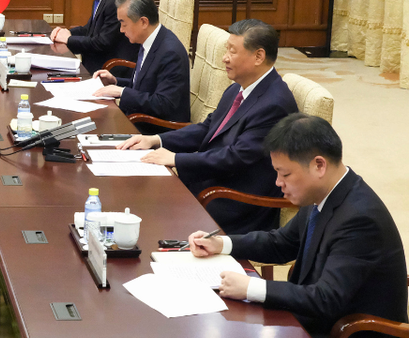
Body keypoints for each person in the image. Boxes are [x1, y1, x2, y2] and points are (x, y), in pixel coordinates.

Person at [188, 114, 409, 338]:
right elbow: (281, 242)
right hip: (320, 323)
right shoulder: (323, 193)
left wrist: (251, 287)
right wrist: (221, 243)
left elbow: (326, 299)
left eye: (285, 174)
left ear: (319, 165)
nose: (277, 183)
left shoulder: (360, 219)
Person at [120, 19, 297, 234]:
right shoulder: (237, 89)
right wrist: (157, 139)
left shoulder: (275, 104)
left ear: (258, 56)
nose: (225, 58)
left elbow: (236, 157)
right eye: (226, 50)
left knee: (152, 210)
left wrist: (176, 159)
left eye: (232, 52)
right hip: (211, 183)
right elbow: (207, 128)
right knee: (139, 190)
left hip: (235, 201)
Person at [92, 0, 190, 133]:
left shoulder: (170, 52)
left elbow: (164, 104)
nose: (121, 30)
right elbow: (144, 86)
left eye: (124, 24)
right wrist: (115, 82)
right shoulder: (150, 40)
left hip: (155, 129)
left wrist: (122, 92)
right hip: (138, 118)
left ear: (143, 22)